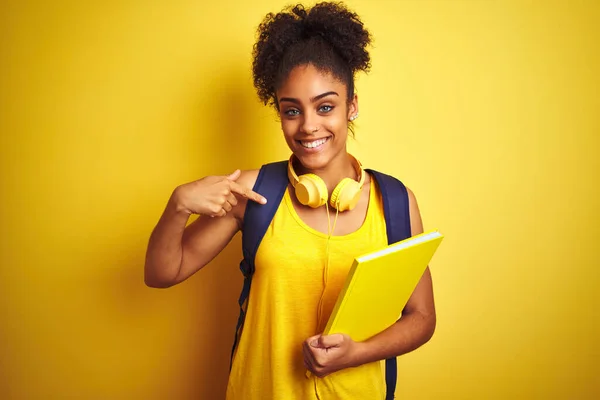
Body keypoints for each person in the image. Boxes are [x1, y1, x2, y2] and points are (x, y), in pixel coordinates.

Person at [144, 2, 436, 399]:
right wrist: (178, 204)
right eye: (292, 111)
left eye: (326, 106)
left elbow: (421, 318)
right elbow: (163, 272)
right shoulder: (252, 193)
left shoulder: (397, 202)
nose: (308, 126)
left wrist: (358, 353)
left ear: (352, 105)